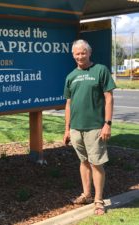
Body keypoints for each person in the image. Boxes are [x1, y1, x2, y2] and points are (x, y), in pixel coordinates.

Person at [63, 39, 116, 215]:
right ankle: (86, 194)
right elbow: (68, 104)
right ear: (73, 55)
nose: (80, 56)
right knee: (83, 162)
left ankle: (98, 200)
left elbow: (109, 98)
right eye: (77, 53)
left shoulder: (100, 70)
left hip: (95, 127)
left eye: (83, 52)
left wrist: (107, 124)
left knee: (96, 163)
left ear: (89, 53)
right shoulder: (70, 76)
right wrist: (67, 129)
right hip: (76, 128)